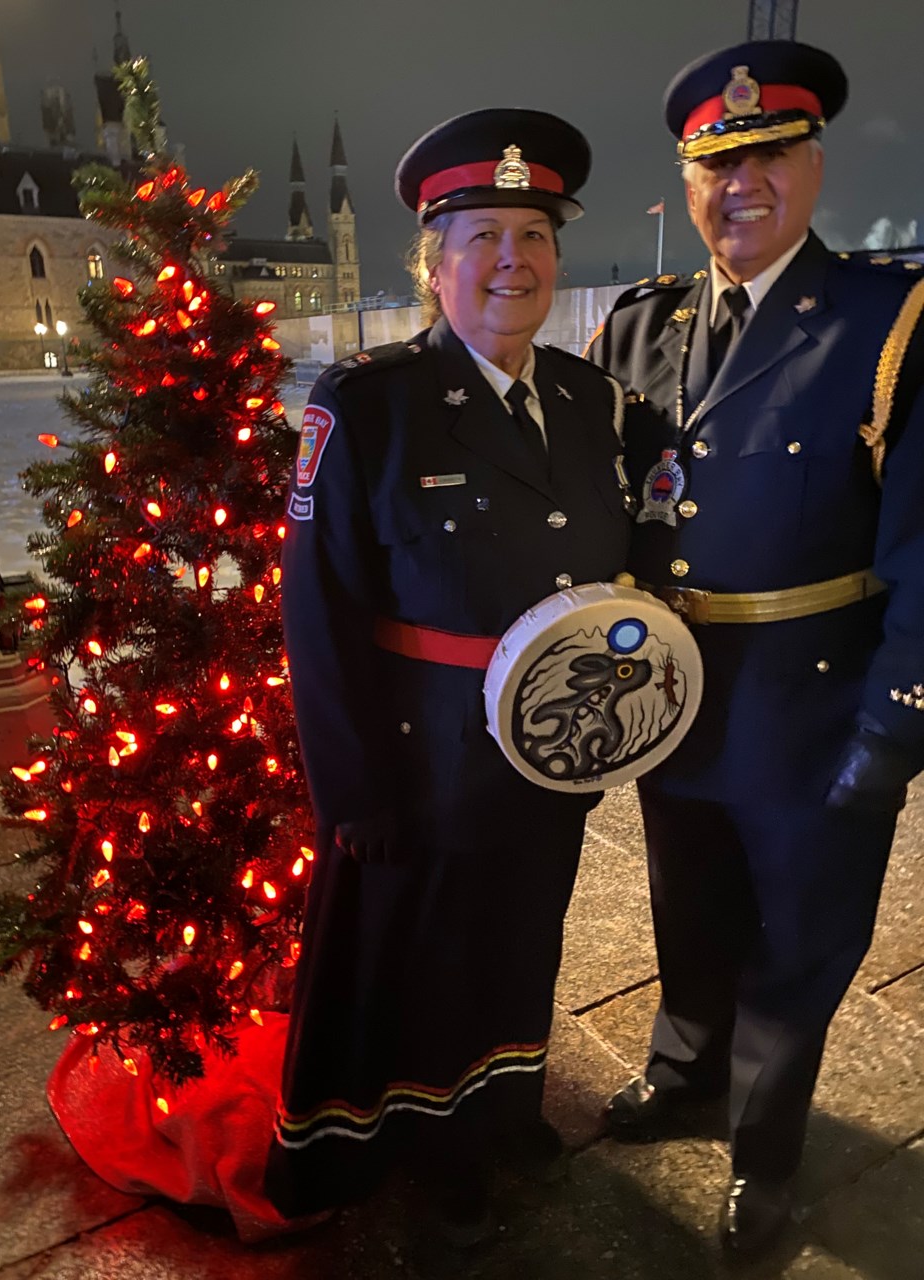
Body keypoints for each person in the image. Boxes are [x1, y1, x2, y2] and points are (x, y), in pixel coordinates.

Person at [265, 108, 631, 1241]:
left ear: (557, 259)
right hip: (424, 753)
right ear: (435, 266)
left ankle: (507, 1102)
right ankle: (437, 1150)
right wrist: (352, 788)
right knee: (431, 958)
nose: (512, 259)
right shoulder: (366, 401)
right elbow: (315, 608)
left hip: (551, 743)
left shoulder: (588, 400)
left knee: (526, 933)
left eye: (533, 233)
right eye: (482, 236)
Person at [586, 39, 924, 1257]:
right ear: (686, 182)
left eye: (769, 157)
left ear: (814, 166)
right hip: (677, 700)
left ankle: (765, 1152)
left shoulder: (889, 320)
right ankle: (684, 1070)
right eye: (715, 165)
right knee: (690, 908)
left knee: (798, 938)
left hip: (813, 705)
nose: (743, 185)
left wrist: (897, 720)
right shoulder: (644, 326)